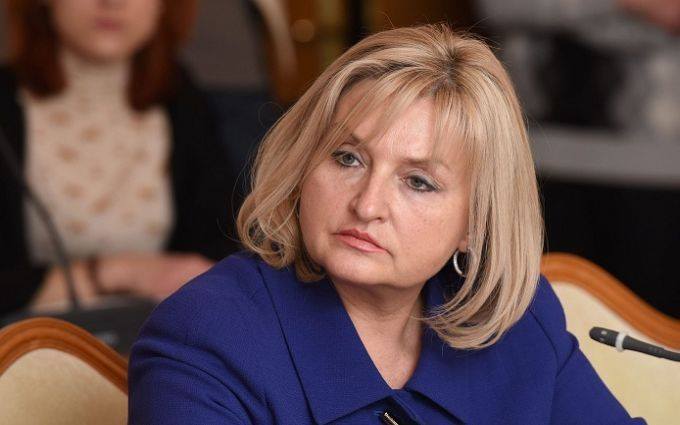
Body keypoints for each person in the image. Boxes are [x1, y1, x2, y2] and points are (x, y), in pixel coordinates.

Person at [128, 24, 644, 424]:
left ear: (476, 222)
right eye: (347, 158)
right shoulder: (206, 335)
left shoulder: (518, 320)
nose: (367, 204)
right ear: (304, 165)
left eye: (418, 182)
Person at [0, 0, 241, 316]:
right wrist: (117, 274)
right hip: (26, 341)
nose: (112, 3)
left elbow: (220, 252)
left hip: (151, 334)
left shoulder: (182, 98)